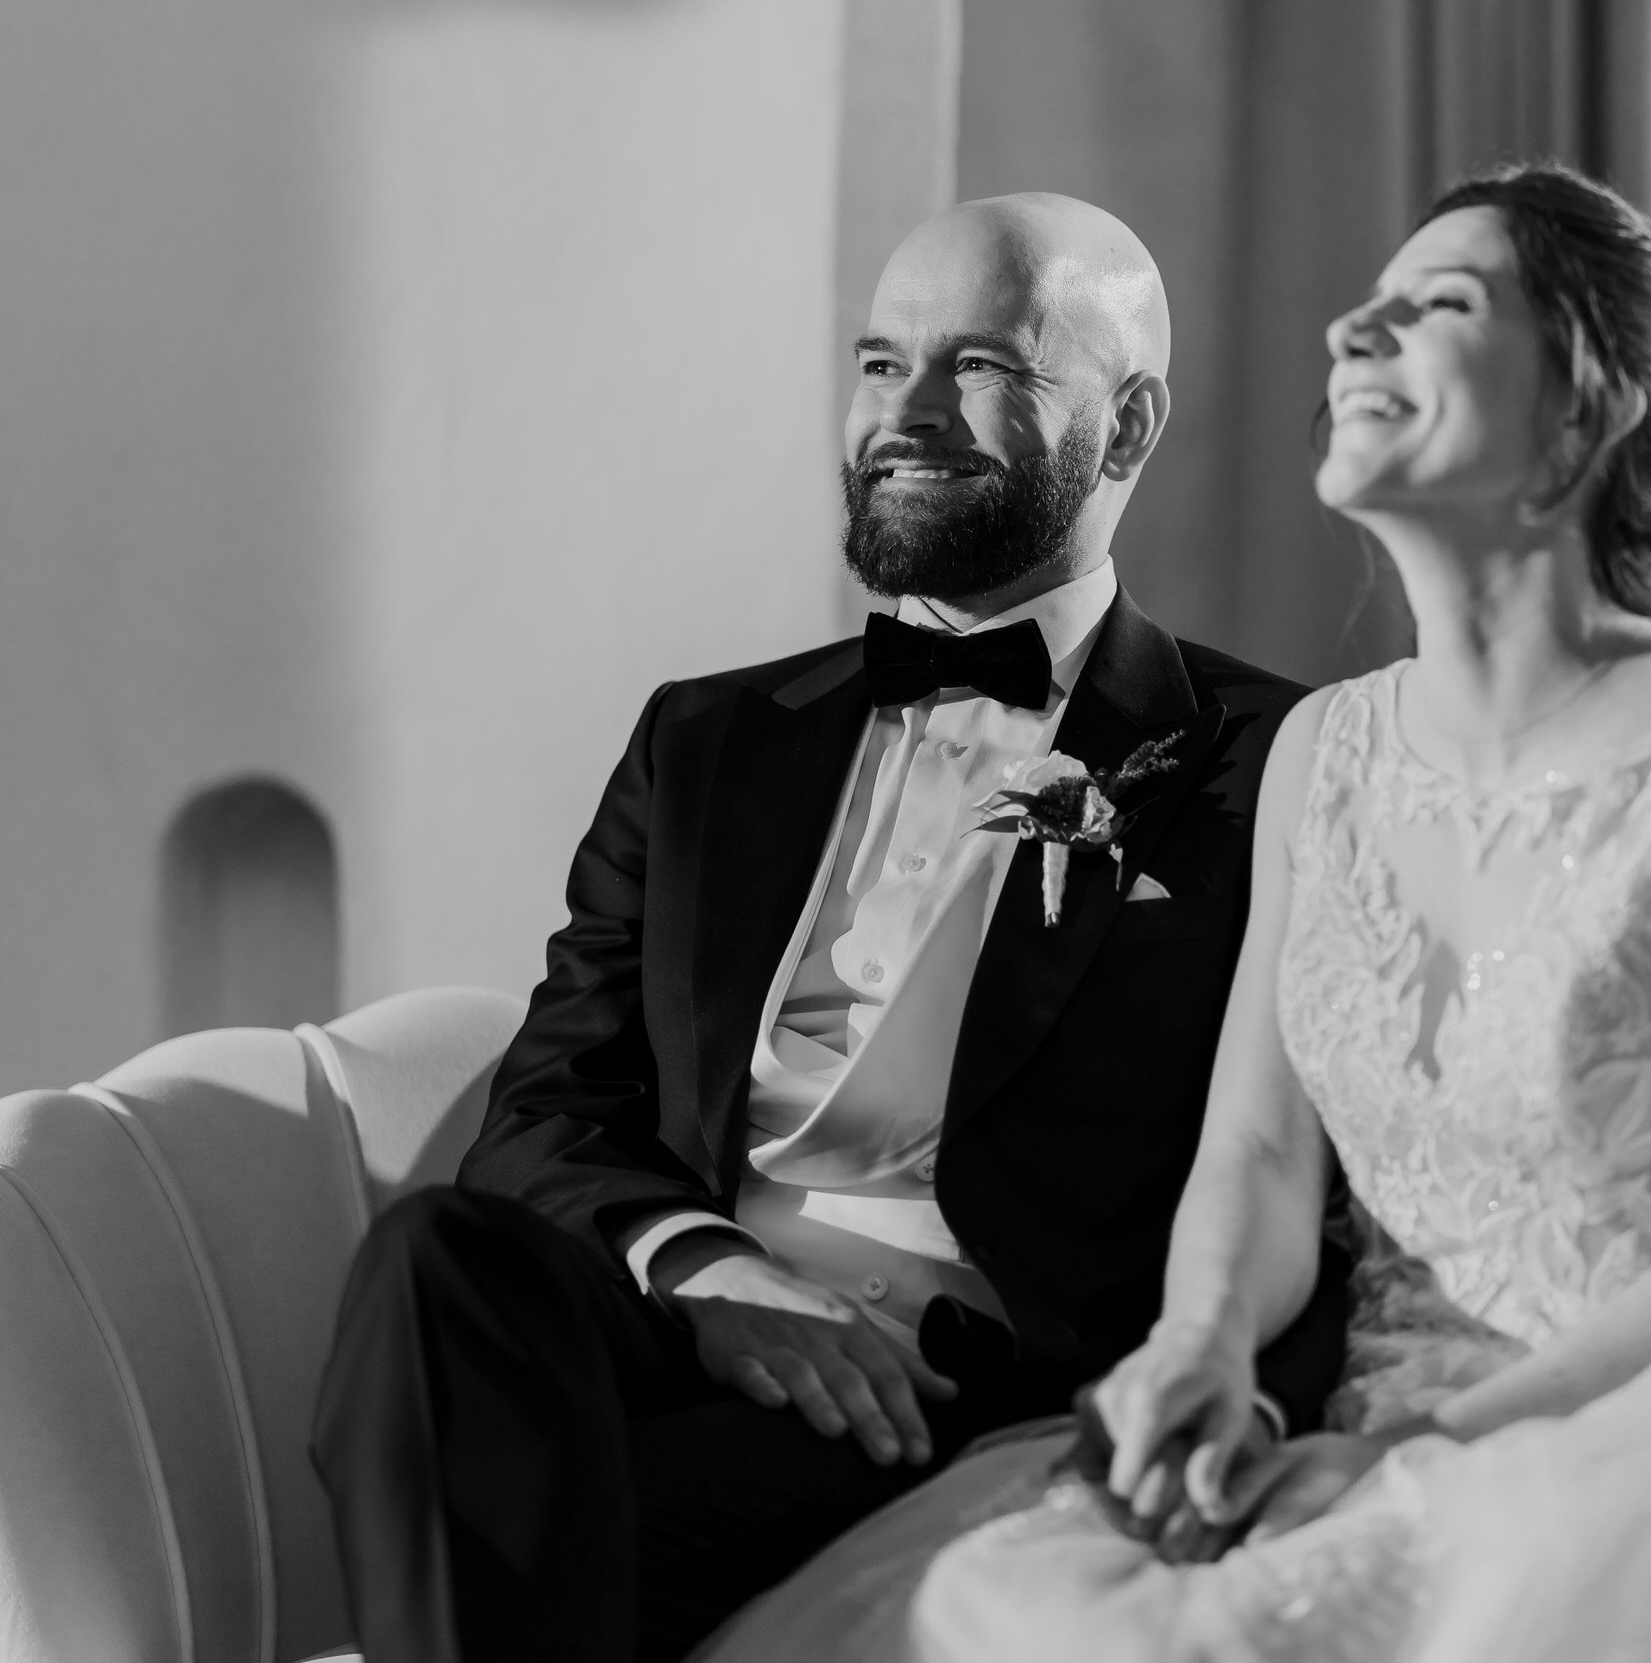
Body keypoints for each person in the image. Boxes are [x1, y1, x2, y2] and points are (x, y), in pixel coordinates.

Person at [307, 192, 1349, 1663]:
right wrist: (710, 1271)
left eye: (976, 366)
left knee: (546, 1546)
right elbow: (546, 1114)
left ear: (1127, 426)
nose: (904, 413)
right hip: (676, 1319)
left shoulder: (1277, 760)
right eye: (878, 362)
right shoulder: (703, 739)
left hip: (959, 1394)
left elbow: (1323, 1182)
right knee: (437, 1259)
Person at [898, 160, 1651, 1661]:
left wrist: (1421, 1462)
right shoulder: (1328, 751)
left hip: (1638, 1459)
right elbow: (1258, 1153)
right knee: (992, 1603)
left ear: (1590, 405)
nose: (1351, 332)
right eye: (1366, 305)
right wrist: (1203, 1345)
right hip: (1352, 1430)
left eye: (1440, 305)